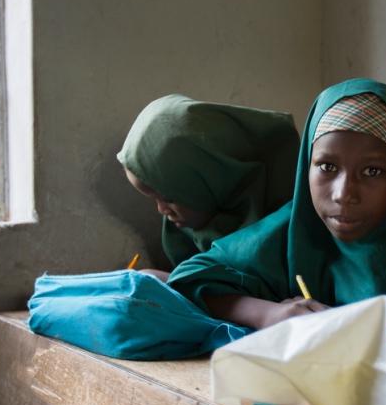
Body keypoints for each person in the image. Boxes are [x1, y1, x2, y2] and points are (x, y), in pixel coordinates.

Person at [168, 78, 386, 329]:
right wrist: (269, 314)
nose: (344, 193)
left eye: (373, 171)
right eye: (327, 167)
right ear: (307, 166)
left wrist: (359, 330)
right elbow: (190, 278)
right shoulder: (292, 233)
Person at [117, 95, 300, 280]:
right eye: (155, 200)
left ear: (211, 180)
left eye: (168, 199)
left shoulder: (285, 226)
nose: (162, 210)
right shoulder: (186, 234)